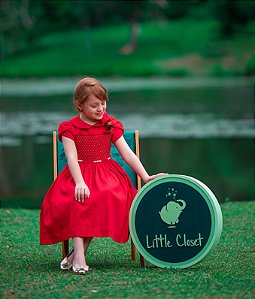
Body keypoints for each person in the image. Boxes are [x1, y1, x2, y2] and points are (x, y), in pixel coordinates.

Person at [40, 77, 165, 275]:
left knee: (105, 196)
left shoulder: (110, 125)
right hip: (78, 174)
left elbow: (127, 154)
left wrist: (146, 176)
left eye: (103, 104)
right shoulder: (69, 129)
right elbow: (71, 158)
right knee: (77, 200)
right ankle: (79, 255)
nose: (100, 109)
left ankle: (75, 256)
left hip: (107, 174)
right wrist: (80, 182)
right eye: (94, 105)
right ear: (79, 105)